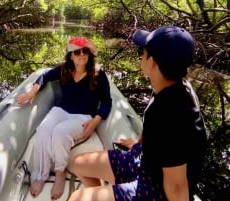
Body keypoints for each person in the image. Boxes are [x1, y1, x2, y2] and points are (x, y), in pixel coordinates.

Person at [68, 26, 207, 201]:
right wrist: (139, 143)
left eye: (143, 52)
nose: (140, 56)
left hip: (157, 188)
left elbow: (177, 186)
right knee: (77, 163)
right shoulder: (168, 84)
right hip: (144, 160)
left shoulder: (173, 114)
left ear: (153, 62)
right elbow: (153, 123)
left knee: (78, 198)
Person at [16, 36, 112, 200]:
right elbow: (44, 77)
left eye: (85, 51)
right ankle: (41, 175)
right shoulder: (64, 69)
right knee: (44, 129)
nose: (81, 55)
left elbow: (106, 101)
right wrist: (33, 91)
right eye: (77, 52)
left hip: (83, 115)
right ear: (70, 55)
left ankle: (60, 172)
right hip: (61, 109)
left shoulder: (98, 74)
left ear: (89, 54)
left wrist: (96, 121)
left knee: (60, 132)